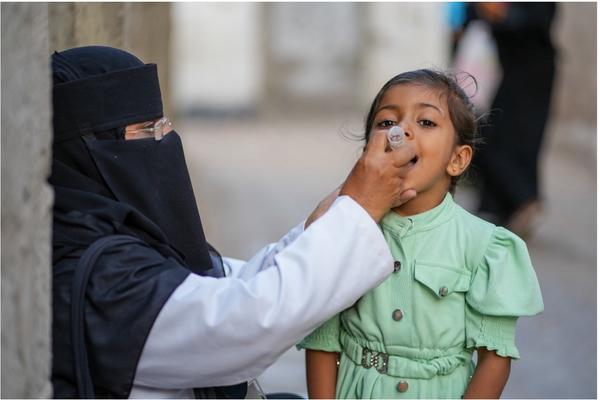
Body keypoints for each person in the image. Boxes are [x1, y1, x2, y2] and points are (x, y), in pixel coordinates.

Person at [50, 46, 419, 398]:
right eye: (148, 131)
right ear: (88, 148)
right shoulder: (97, 276)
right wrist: (358, 212)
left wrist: (338, 212)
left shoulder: (121, 231)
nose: (164, 140)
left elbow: (228, 283)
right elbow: (246, 321)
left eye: (165, 125)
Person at [298, 69, 544, 399]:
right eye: (386, 122)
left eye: (426, 122)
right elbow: (323, 339)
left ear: (457, 159)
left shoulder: (485, 246)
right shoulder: (346, 229)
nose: (401, 131)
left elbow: (494, 358)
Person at [468, 3, 557, 236]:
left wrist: (501, 13)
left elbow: (537, 21)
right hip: (505, 67)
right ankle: (504, 206)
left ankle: (524, 199)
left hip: (531, 70)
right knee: (491, 134)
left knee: (515, 139)